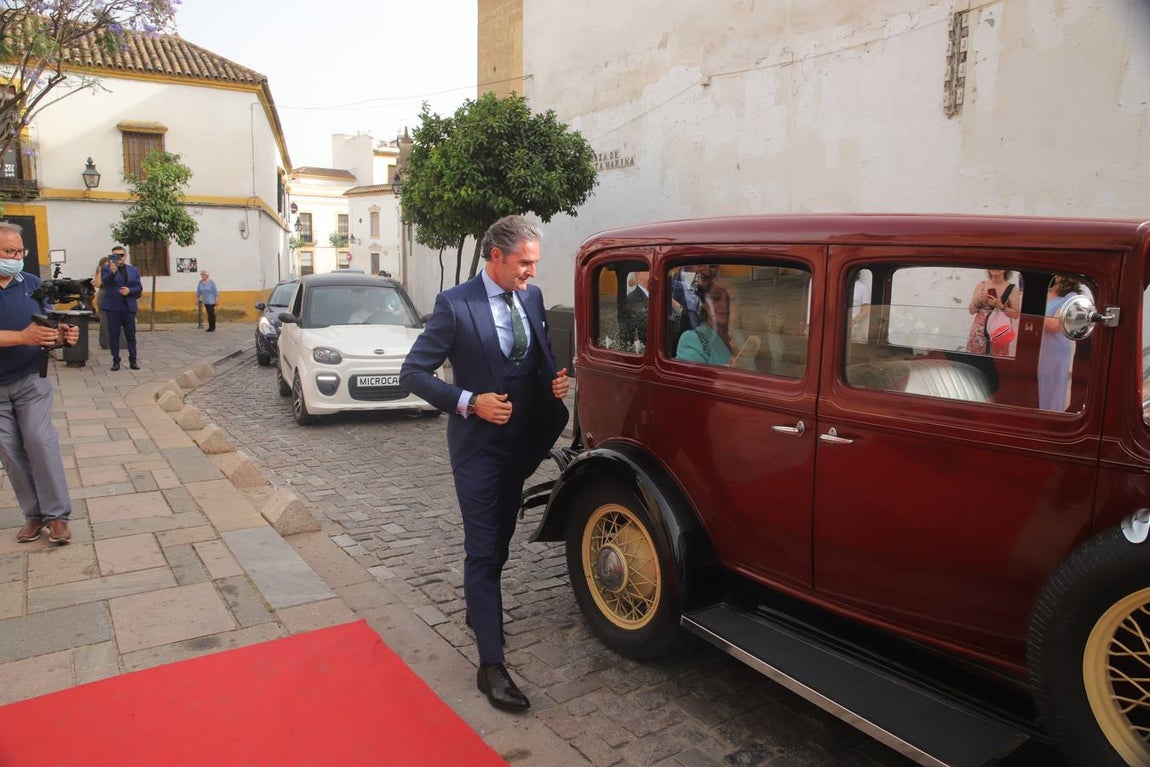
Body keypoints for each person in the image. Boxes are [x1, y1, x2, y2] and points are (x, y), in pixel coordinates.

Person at [400, 215, 569, 713]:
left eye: (534, 263)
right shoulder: (455, 305)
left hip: (521, 446)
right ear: (495, 256)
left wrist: (553, 384)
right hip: (477, 448)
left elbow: (536, 359)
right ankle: (490, 666)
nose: (532, 272)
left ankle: (481, 604)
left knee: (500, 538)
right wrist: (470, 402)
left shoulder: (532, 298)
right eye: (524, 263)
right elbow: (413, 372)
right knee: (481, 547)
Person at [0, 221, 79, 544]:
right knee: (10, 451)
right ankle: (34, 515)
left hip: (31, 378)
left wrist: (62, 336)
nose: (16, 257)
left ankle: (57, 516)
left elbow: (47, 327)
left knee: (39, 440)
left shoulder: (32, 284)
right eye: (9, 252)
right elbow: (26, 335)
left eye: (20, 251)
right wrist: (21, 337)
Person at [675, 281, 757, 371]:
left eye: (731, 299)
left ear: (739, 305)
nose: (724, 305)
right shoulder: (692, 340)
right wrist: (727, 372)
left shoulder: (739, 337)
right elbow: (691, 378)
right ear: (705, 303)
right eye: (716, 298)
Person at [1038, 275, 1083, 411]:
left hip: (1056, 350)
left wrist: (1033, 316)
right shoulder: (1047, 291)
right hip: (1039, 348)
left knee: (1052, 390)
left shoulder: (1071, 297)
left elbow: (1055, 325)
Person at [99, 245, 143, 370]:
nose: (119, 258)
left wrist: (129, 291)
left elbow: (139, 288)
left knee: (131, 335)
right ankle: (116, 360)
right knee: (114, 334)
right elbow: (105, 283)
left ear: (125, 256)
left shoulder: (133, 270)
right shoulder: (106, 269)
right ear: (111, 257)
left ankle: (133, 360)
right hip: (113, 307)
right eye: (116, 255)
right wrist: (113, 273)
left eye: (121, 255)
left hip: (128, 306)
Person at [966, 269, 1020, 356]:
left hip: (999, 334)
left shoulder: (1012, 288)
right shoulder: (981, 285)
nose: (994, 268)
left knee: (996, 361)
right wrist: (978, 302)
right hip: (979, 333)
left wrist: (1001, 307)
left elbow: (1016, 315)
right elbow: (971, 311)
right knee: (975, 360)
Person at [622, 270, 649, 347]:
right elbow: (630, 328)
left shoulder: (661, 294)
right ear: (639, 273)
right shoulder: (631, 299)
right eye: (648, 271)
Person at [93, 255, 110, 349]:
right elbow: (97, 284)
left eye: (108, 265)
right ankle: (106, 342)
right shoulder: (100, 272)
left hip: (112, 295)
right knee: (104, 319)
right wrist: (99, 271)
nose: (106, 267)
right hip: (104, 295)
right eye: (104, 265)